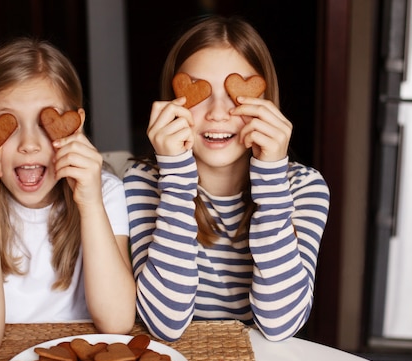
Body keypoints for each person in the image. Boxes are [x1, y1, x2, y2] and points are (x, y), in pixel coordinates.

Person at [124, 15, 330, 342]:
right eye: (199, 92)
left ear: (266, 102)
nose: (218, 113)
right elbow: (164, 324)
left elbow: (281, 324)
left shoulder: (305, 187)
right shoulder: (143, 182)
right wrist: (175, 174)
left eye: (236, 94)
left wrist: (272, 176)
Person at [0, 38, 136, 357]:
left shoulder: (106, 192)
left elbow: (117, 322)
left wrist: (89, 203)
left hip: (87, 360)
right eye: (9, 125)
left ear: (74, 126)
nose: (29, 144)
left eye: (46, 123)